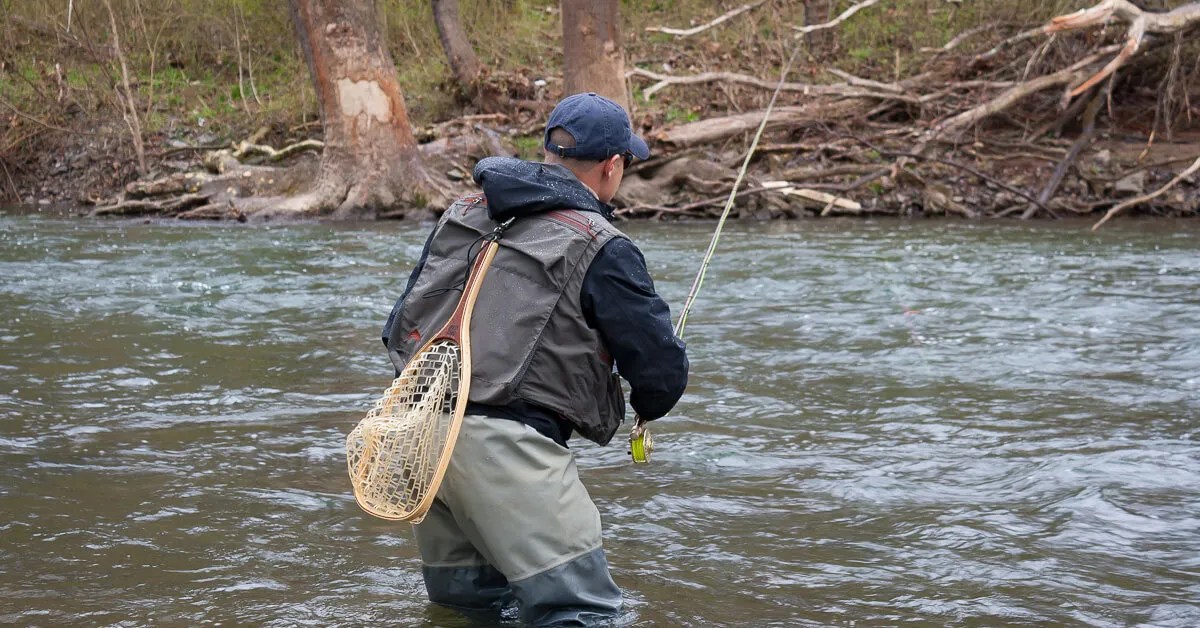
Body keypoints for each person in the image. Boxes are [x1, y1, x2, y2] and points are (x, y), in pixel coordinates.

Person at [381, 92, 689, 626]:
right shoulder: (603, 244)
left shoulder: (465, 212)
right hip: (506, 450)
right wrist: (650, 403)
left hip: (421, 434)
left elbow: (399, 324)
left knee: (468, 611)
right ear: (612, 167)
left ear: (549, 151)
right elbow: (660, 374)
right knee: (582, 612)